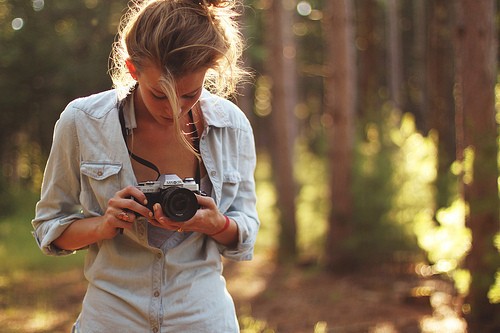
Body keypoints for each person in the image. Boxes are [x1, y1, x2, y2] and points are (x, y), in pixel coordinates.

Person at [31, 0, 259, 332]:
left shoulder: (231, 127)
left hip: (203, 317)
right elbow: (49, 228)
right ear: (132, 69)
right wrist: (105, 225)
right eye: (158, 95)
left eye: (189, 94)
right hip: (112, 317)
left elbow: (246, 231)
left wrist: (215, 224)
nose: (174, 110)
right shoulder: (82, 121)